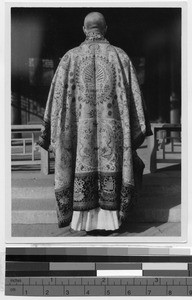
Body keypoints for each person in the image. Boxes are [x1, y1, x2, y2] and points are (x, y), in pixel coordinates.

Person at [37, 12, 152, 232]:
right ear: (105, 29)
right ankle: (112, 221)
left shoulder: (69, 58)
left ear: (84, 29)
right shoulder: (121, 58)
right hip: (113, 135)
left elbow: (56, 102)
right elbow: (135, 101)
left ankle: (83, 222)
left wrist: (54, 132)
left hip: (80, 136)